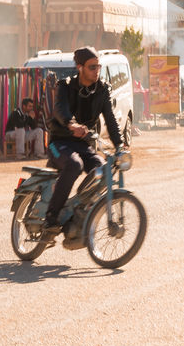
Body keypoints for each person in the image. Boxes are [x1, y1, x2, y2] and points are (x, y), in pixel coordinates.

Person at [42, 47, 124, 240]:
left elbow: (111, 120)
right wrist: (72, 125)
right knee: (74, 165)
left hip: (83, 145)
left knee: (102, 169)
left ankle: (79, 209)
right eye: (92, 67)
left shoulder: (102, 90)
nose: (97, 70)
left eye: (99, 66)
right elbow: (60, 110)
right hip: (59, 142)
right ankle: (51, 217)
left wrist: (120, 145)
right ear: (80, 68)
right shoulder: (65, 85)